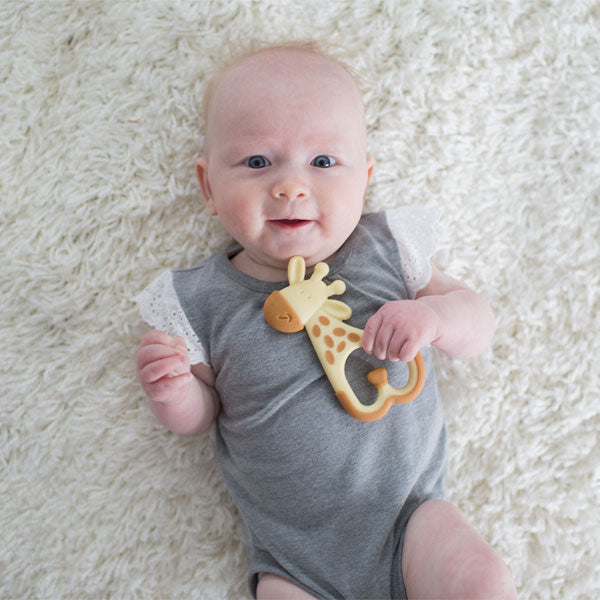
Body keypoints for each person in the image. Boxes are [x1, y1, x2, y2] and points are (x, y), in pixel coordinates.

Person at [135, 41, 517, 599]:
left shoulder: (386, 251)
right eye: (258, 162)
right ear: (209, 186)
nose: (291, 186)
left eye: (322, 162)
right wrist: (172, 391)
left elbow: (479, 324)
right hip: (295, 563)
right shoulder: (200, 300)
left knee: (481, 581)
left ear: (363, 179)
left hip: (409, 521)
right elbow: (200, 416)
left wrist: (433, 317)